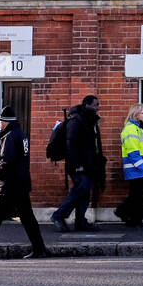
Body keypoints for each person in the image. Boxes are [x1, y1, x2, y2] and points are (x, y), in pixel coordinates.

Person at [0, 106, 48, 259]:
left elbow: (8, 160)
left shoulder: (10, 136)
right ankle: (39, 249)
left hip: (9, 184)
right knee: (27, 218)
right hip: (21, 182)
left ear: (4, 121)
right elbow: (16, 158)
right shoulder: (20, 134)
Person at [50, 95, 103, 232]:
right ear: (87, 105)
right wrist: (77, 165)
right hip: (78, 165)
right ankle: (58, 215)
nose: (98, 107)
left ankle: (80, 221)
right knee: (81, 188)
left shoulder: (89, 120)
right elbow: (71, 144)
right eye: (95, 105)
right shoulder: (76, 121)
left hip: (88, 164)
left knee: (85, 192)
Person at [114, 102, 143, 227]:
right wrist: (142, 167)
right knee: (136, 195)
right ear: (136, 115)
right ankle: (124, 213)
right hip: (137, 168)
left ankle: (134, 218)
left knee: (138, 194)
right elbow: (132, 151)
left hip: (142, 167)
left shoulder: (141, 128)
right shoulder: (130, 129)